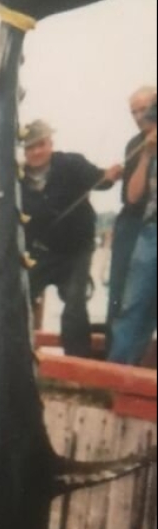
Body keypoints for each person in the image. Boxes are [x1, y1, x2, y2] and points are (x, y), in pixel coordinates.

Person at [20, 119, 122, 358]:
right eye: (29, 148)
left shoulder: (71, 163)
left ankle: (78, 363)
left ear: (50, 143)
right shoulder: (18, 177)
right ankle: (18, 355)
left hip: (77, 251)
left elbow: (101, 180)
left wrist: (111, 175)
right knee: (18, 300)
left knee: (74, 307)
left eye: (40, 144)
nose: (36, 152)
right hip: (41, 252)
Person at [106, 86, 158, 348]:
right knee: (122, 297)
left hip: (148, 225)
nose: (139, 116)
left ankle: (134, 361)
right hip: (136, 223)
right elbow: (132, 197)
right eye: (133, 111)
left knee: (147, 304)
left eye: (144, 108)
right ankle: (114, 361)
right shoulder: (136, 143)